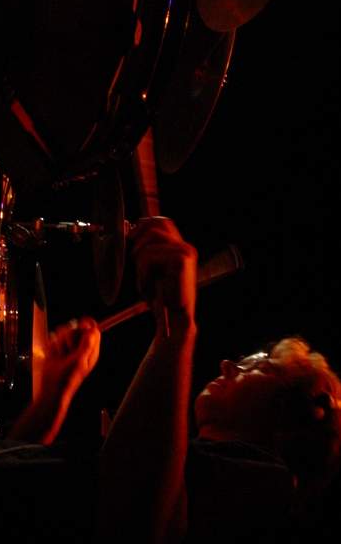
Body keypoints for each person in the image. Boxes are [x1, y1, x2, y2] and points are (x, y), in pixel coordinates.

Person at [95, 216, 341, 543]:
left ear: (294, 417)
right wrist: (56, 393)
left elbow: (132, 523)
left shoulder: (269, 487)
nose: (227, 366)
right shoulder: (188, 461)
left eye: (262, 367)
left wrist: (179, 328)